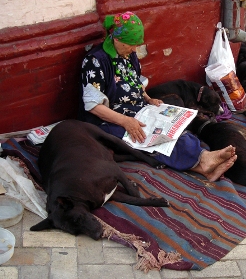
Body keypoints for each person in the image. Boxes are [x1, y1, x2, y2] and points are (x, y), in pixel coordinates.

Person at [78, 11, 237, 182]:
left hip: (136, 110)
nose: (134, 49)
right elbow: (93, 106)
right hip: (108, 120)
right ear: (116, 39)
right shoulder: (95, 61)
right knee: (150, 138)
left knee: (171, 127)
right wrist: (125, 121)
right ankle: (204, 162)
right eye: (130, 44)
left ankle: (204, 165)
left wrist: (148, 99)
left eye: (136, 45)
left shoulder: (128, 54)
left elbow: (135, 82)